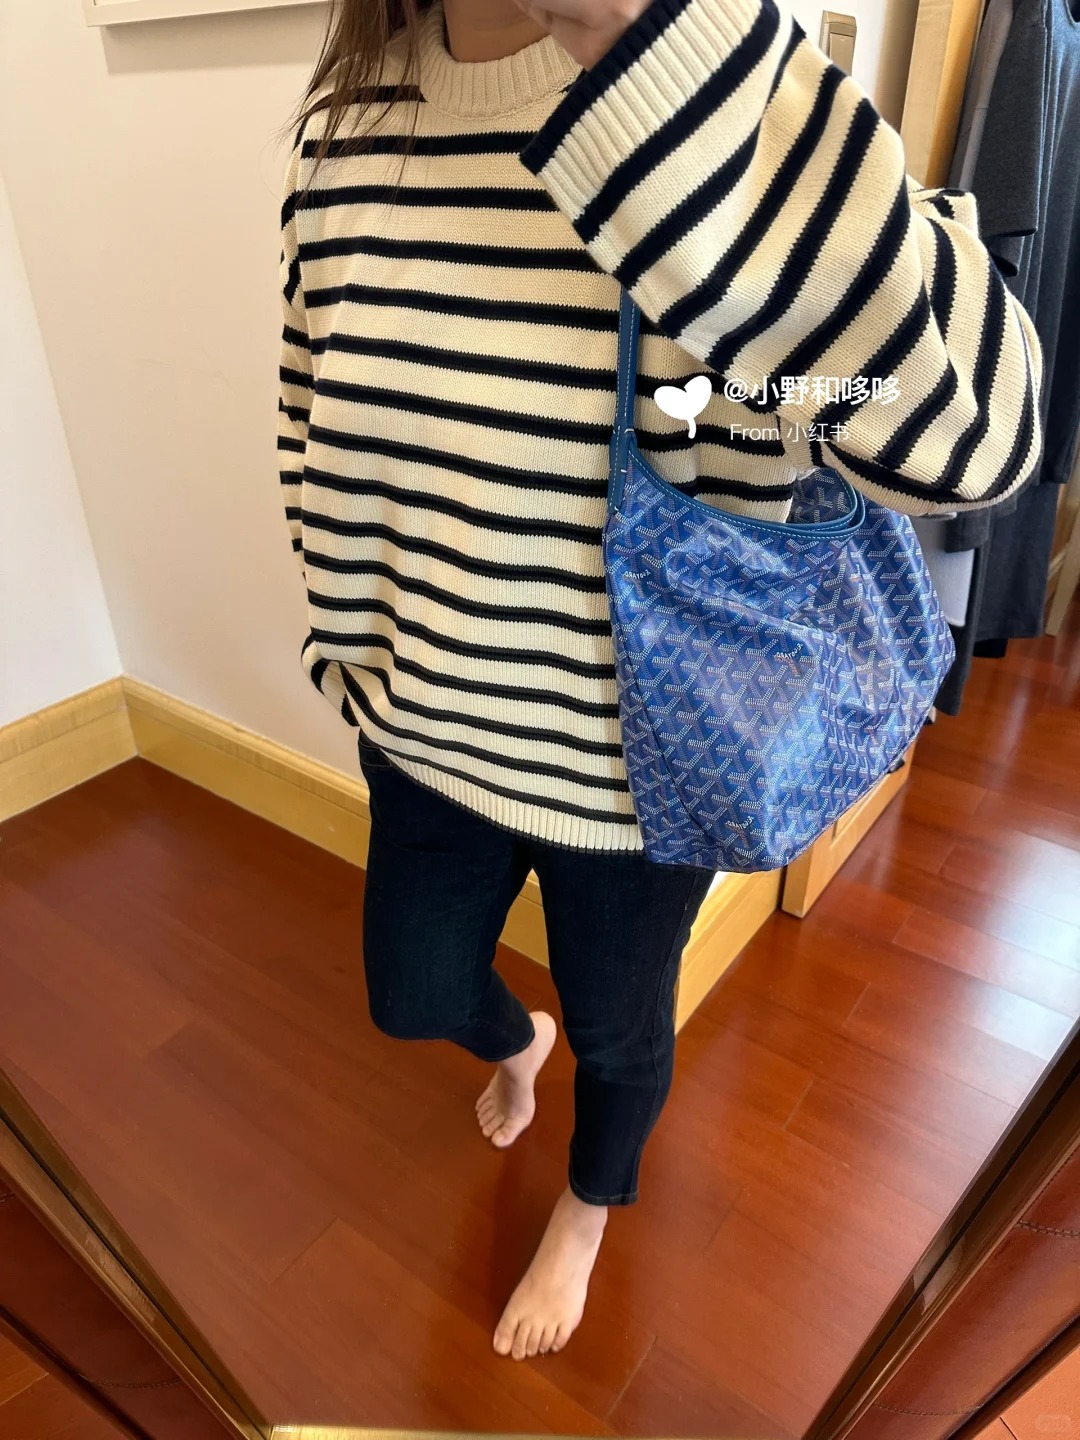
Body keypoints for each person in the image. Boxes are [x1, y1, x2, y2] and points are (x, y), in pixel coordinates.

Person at [275, 0, 1043, 1362]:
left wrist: (669, 49)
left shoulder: (726, 91)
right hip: (424, 728)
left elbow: (983, 441)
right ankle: (518, 1045)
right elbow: (311, 419)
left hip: (649, 773)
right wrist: (348, 648)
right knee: (413, 991)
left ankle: (589, 1205)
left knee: (623, 1036)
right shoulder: (353, 118)